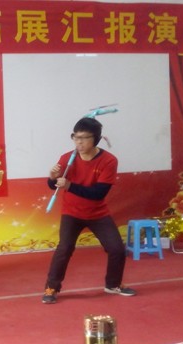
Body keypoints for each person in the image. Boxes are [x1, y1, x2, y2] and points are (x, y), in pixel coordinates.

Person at [42, 117, 136, 304]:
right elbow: (55, 186)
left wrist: (69, 185)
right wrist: (52, 178)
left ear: (97, 139)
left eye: (84, 138)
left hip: (97, 213)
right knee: (64, 248)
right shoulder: (67, 158)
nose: (79, 142)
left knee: (117, 249)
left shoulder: (109, 161)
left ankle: (113, 284)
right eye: (76, 137)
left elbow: (98, 194)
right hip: (71, 212)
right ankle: (52, 287)